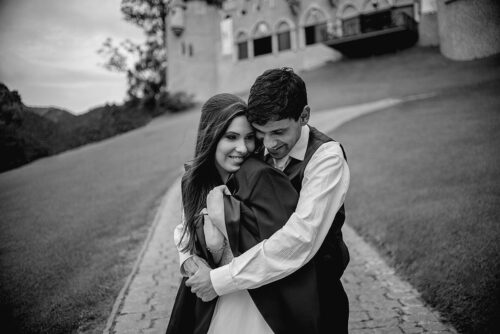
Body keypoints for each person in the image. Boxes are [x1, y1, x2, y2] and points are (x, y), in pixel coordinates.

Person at [185, 68, 351, 333]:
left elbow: (300, 238)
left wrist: (220, 280)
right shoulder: (253, 146)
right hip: (260, 302)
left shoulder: (326, 158)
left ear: (304, 115)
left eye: (279, 132)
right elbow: (200, 204)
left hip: (315, 299)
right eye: (261, 133)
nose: (270, 143)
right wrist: (189, 257)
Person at [166, 93, 319, 334]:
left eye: (249, 138)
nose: (243, 148)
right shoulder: (193, 182)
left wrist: (225, 217)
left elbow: (283, 247)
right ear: (211, 137)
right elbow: (185, 230)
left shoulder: (262, 177)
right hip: (213, 302)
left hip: (259, 304)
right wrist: (188, 260)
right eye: (231, 137)